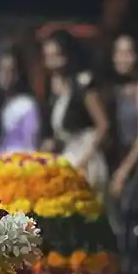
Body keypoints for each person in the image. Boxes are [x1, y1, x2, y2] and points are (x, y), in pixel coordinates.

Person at [107, 31, 138, 274]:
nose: (122, 58)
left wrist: (124, 171)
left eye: (128, 52)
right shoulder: (117, 89)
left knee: (133, 226)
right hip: (120, 160)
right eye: (118, 52)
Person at [40, 30, 110, 190]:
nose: (51, 60)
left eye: (56, 55)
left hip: (86, 156)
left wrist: (85, 159)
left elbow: (103, 125)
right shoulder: (49, 87)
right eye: (47, 56)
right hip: (65, 155)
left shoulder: (82, 83)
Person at [0, 46, 41, 158]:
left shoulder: (26, 105)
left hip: (17, 163)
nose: (6, 75)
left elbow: (31, 144)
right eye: (1, 70)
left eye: (11, 71)